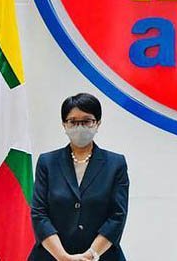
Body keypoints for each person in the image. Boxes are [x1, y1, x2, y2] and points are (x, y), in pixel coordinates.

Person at [31, 93, 129, 261]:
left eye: (86, 121)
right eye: (73, 121)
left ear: (97, 123)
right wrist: (63, 257)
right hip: (51, 256)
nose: (80, 127)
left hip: (102, 256)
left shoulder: (115, 164)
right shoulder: (47, 162)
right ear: (64, 124)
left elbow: (117, 216)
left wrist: (90, 256)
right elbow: (39, 214)